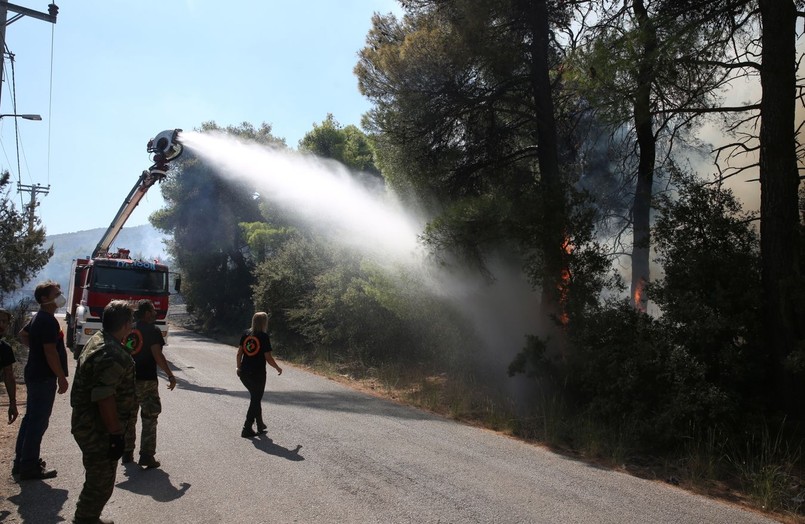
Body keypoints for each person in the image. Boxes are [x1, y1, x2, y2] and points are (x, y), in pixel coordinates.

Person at [71, 300, 136, 524]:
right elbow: (104, 395)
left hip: (90, 423)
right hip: (98, 429)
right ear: (126, 324)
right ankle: (85, 519)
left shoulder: (99, 339)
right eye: (131, 321)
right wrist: (116, 433)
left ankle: (89, 518)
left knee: (98, 478)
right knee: (100, 483)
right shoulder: (112, 353)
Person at [13, 280, 69, 480]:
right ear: (44, 298)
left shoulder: (39, 318)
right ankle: (29, 466)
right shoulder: (46, 320)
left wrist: (35, 350)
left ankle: (21, 462)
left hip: (35, 374)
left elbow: (23, 334)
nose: (60, 296)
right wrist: (61, 378)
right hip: (43, 377)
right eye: (56, 293)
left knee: (31, 419)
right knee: (38, 422)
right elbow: (50, 352)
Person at [122, 299, 176, 469]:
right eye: (152, 310)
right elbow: (157, 355)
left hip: (129, 379)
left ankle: (126, 453)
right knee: (150, 417)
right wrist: (170, 375)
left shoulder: (130, 329)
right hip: (147, 380)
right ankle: (146, 455)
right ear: (146, 313)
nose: (155, 313)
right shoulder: (153, 330)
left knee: (129, 417)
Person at [236, 311, 281, 438]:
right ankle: (247, 427)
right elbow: (268, 357)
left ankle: (260, 425)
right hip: (258, 374)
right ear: (264, 322)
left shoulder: (246, 334)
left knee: (256, 398)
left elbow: (239, 353)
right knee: (255, 398)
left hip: (244, 373)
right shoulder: (263, 337)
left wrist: (239, 368)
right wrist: (278, 368)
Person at [0, 308, 19, 424]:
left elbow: (9, 376)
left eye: (4, 321)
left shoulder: (5, 349)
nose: (1, 324)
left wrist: (13, 402)